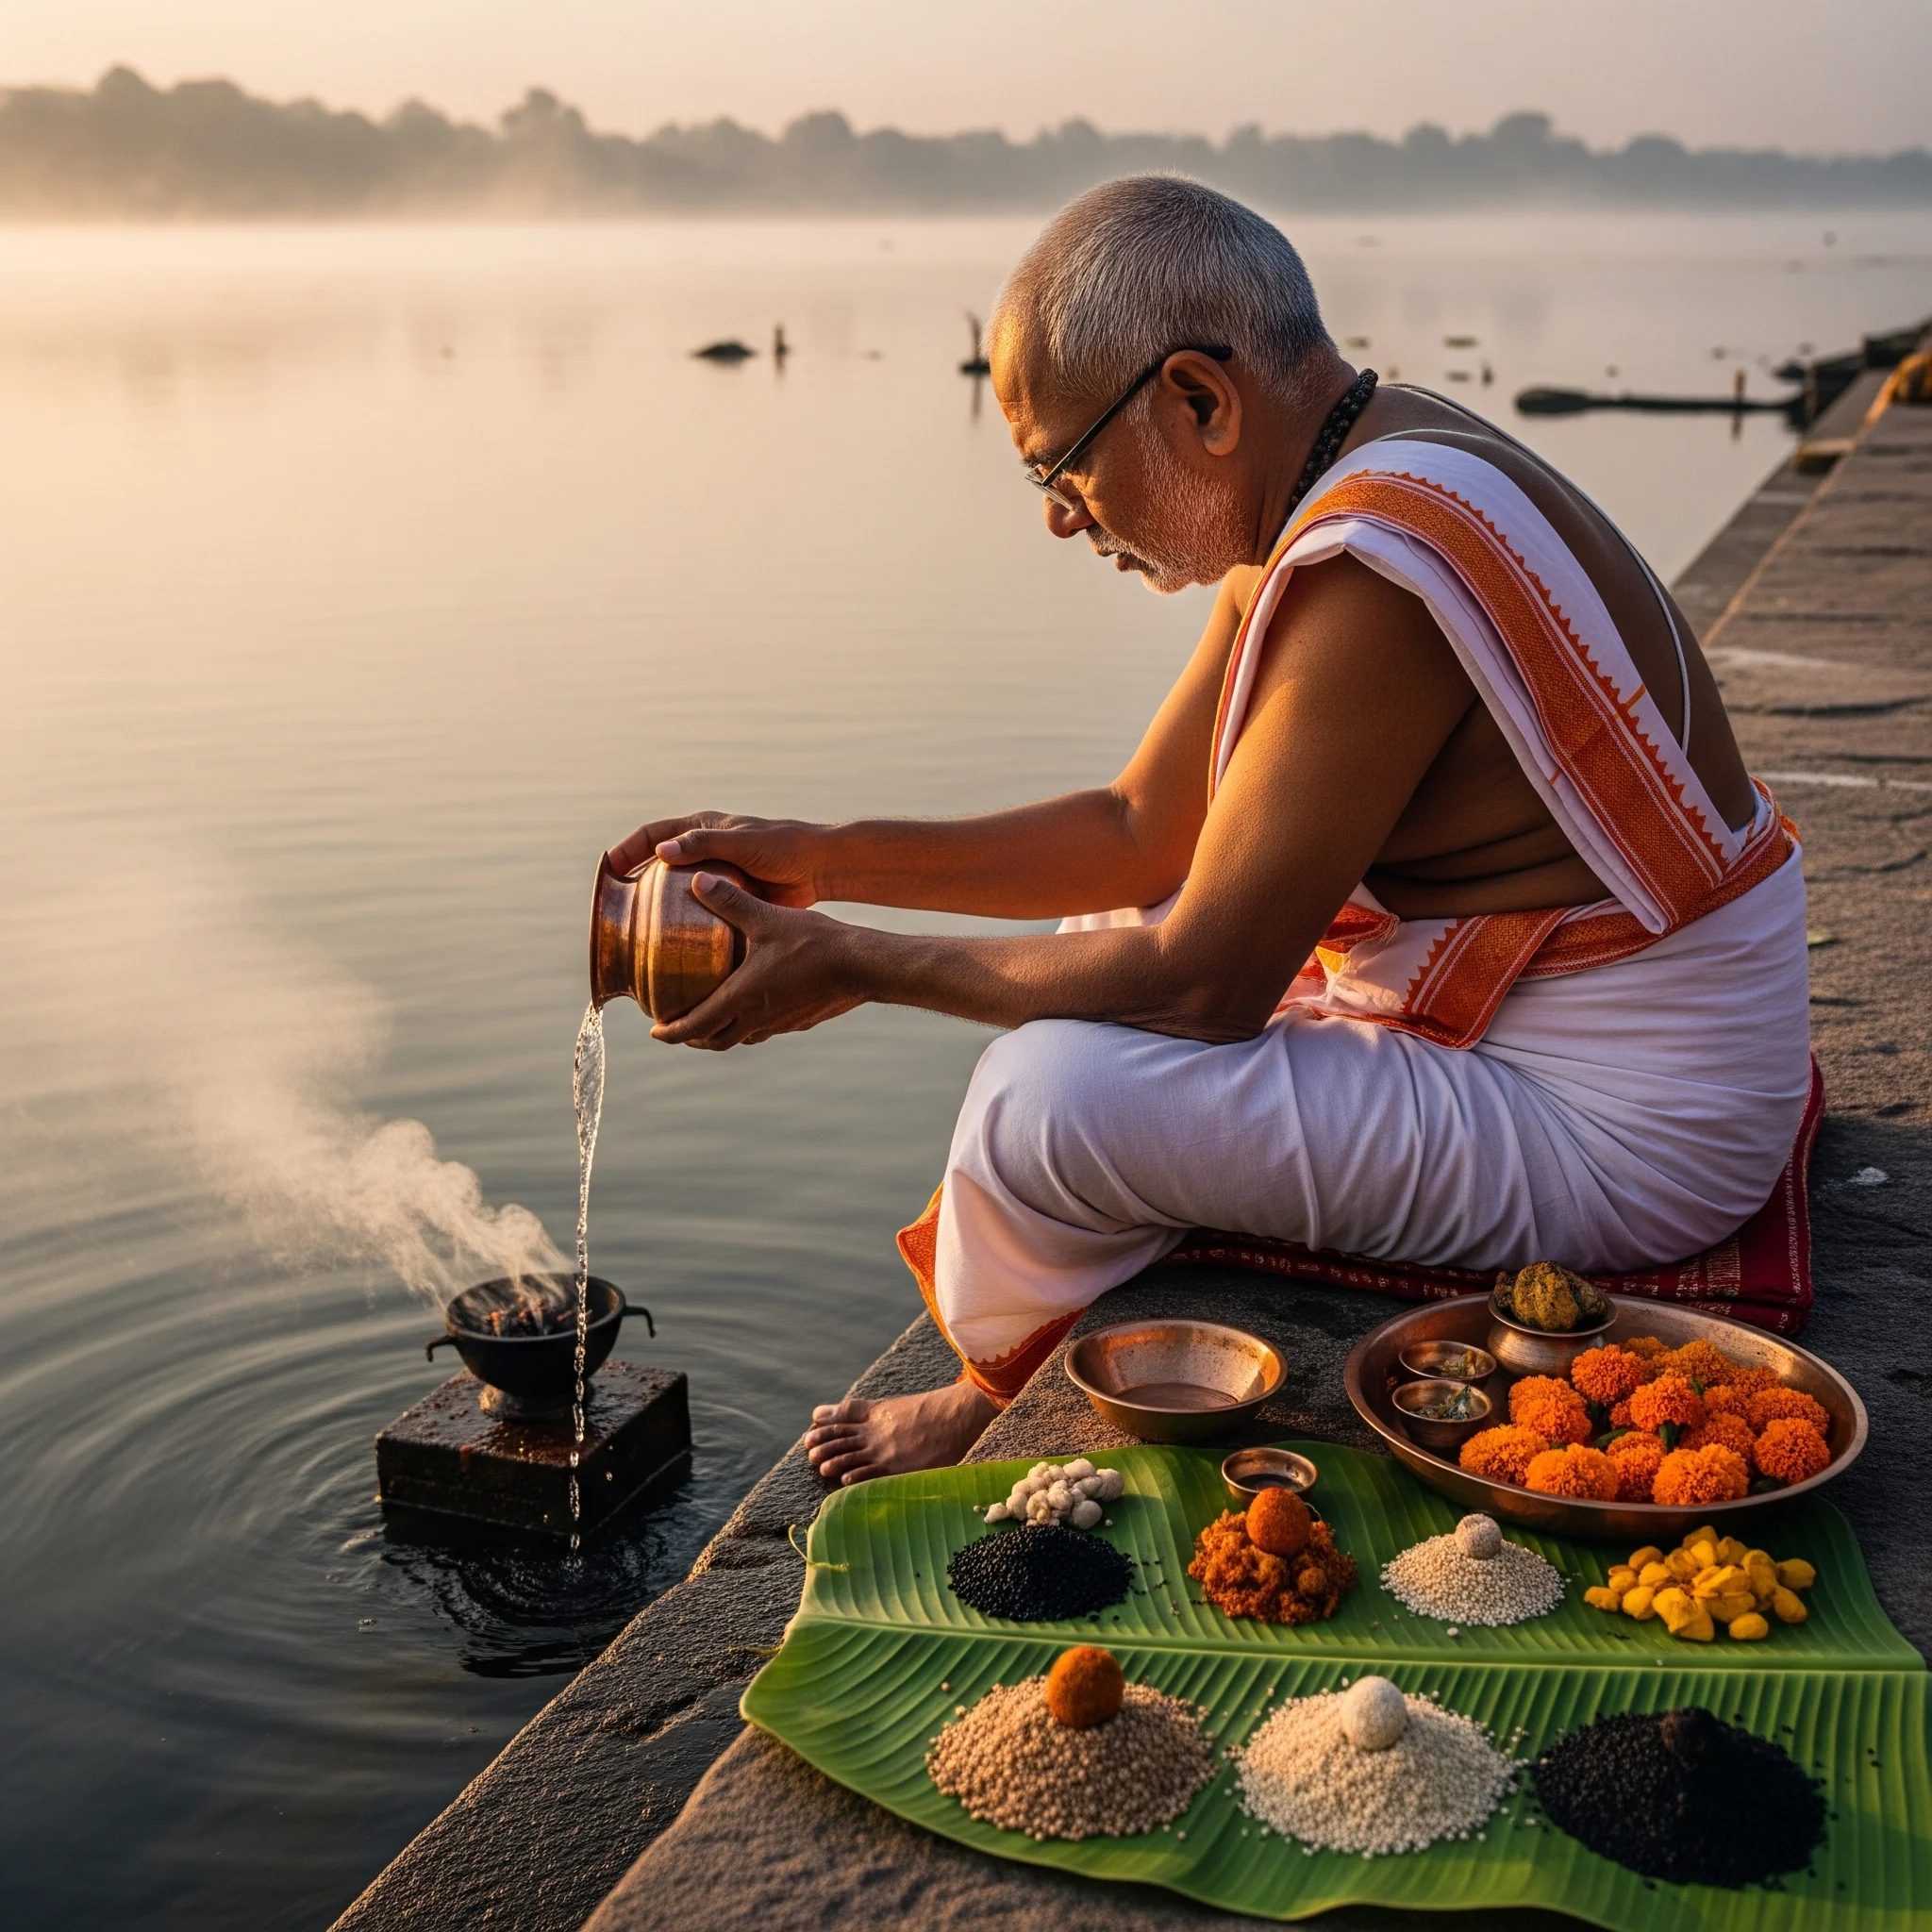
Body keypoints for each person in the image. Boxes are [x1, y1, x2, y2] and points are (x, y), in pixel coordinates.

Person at [607, 176, 1809, 1486]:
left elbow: (1206, 986)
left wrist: (853, 963)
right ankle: (1056, 1308)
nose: (1063, 517)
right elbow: (1139, 829)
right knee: (1092, 939)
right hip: (1616, 1043)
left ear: (1198, 400)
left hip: (1627, 1131)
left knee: (1038, 1103)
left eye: (1063, 468)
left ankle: (986, 1384)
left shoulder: (1371, 570)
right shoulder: (1365, 456)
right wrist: (823, 853)